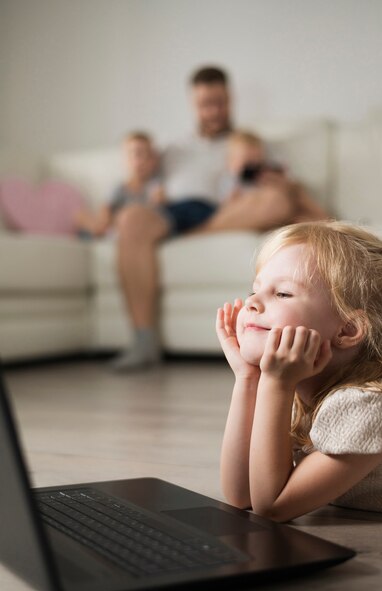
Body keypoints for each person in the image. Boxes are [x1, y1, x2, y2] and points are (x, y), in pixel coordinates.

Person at [113, 66, 327, 371]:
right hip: (178, 213)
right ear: (193, 104)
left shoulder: (251, 142)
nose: (213, 111)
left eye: (220, 102)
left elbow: (285, 192)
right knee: (131, 219)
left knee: (278, 201)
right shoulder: (173, 150)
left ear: (230, 99)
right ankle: (144, 340)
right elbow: (145, 187)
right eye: (205, 104)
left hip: (234, 211)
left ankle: (200, 232)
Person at [216, 221, 382, 521]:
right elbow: (240, 494)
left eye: (282, 294)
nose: (252, 303)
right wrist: (248, 378)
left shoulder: (376, 402)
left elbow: (272, 506)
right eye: (254, 290)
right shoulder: (309, 383)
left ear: (348, 329)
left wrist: (276, 383)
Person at [73, 131, 164, 238]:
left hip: (133, 225)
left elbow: (157, 208)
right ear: (126, 160)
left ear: (154, 161)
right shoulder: (120, 188)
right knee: (84, 218)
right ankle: (93, 228)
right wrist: (105, 219)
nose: (142, 160)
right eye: (137, 154)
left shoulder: (155, 185)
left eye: (148, 155)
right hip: (114, 225)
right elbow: (106, 208)